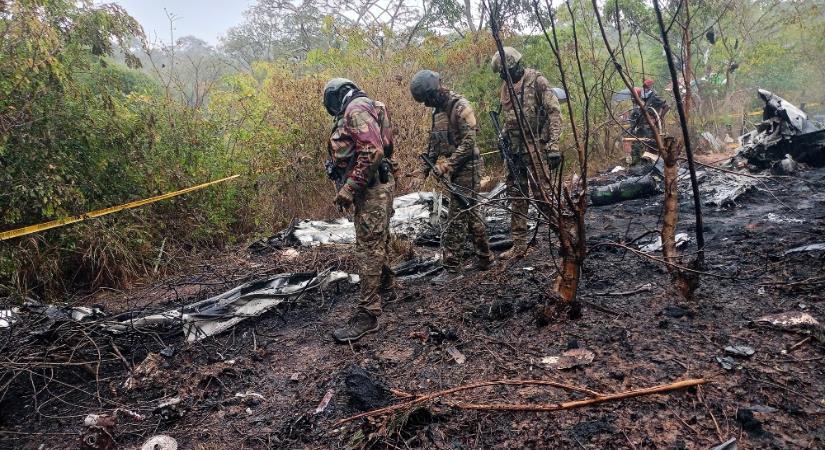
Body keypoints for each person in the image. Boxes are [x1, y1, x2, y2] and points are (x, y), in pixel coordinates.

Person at [323, 78, 396, 343]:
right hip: (377, 187)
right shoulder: (367, 106)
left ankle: (368, 315)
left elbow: (373, 151)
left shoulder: (355, 109)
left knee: (368, 247)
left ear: (335, 96)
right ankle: (387, 285)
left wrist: (349, 188)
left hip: (371, 188)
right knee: (376, 242)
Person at [409, 70, 492, 283]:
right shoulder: (437, 112)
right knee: (471, 213)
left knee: (456, 217)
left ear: (435, 92)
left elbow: (469, 142)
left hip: (469, 167)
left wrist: (447, 165)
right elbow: (434, 145)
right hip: (455, 169)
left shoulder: (460, 106)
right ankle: (485, 258)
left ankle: (452, 267)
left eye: (427, 99)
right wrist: (423, 171)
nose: (426, 104)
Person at [490, 46, 562, 260]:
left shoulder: (537, 81)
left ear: (514, 66)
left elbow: (554, 113)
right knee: (517, 197)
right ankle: (520, 245)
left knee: (543, 197)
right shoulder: (506, 88)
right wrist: (502, 136)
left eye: (504, 72)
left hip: (536, 148)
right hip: (515, 151)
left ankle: (565, 235)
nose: (503, 76)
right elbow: (510, 118)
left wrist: (553, 146)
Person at [628, 79, 669, 165]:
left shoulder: (654, 97)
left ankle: (654, 162)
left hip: (651, 126)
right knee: (637, 144)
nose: (645, 88)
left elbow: (666, 106)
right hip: (642, 126)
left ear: (650, 87)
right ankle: (636, 163)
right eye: (644, 87)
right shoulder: (643, 99)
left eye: (647, 87)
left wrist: (658, 118)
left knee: (651, 143)